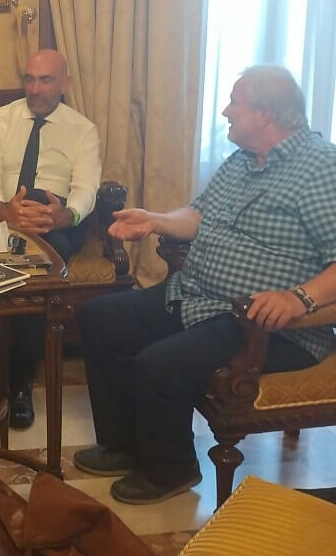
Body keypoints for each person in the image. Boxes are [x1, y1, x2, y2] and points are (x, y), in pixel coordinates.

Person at [73, 66, 336, 505]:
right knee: (101, 318)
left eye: (235, 102)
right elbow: (198, 215)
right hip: (198, 296)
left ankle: (171, 470)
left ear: (265, 115)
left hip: (265, 324)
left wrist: (299, 298)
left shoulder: (321, 169)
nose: (226, 111)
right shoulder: (242, 159)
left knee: (159, 364)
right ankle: (123, 446)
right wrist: (154, 220)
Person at [0, 49, 101, 429]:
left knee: (43, 259)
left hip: (55, 220)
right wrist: (4, 209)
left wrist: (64, 215)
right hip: (3, 215)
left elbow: (86, 189)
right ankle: (14, 372)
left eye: (45, 80)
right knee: (22, 258)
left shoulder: (83, 129)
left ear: (65, 83)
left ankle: (8, 368)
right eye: (29, 79)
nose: (35, 88)